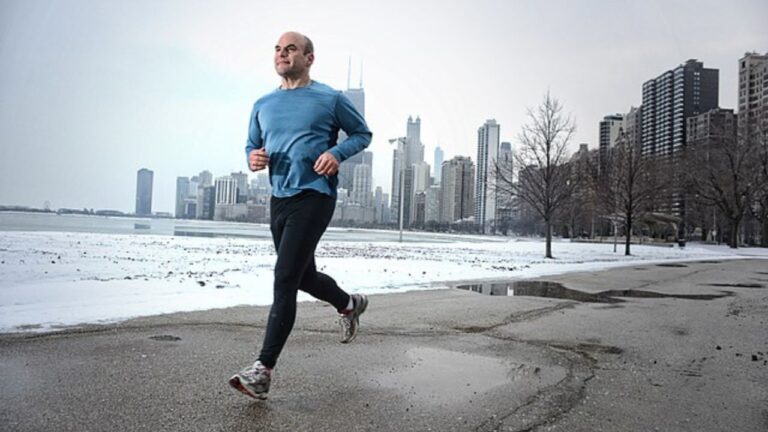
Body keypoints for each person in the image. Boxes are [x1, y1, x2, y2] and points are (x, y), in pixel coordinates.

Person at [228, 31, 372, 400]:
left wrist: (337, 154)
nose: (281, 54)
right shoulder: (262, 103)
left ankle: (263, 370)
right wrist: (253, 158)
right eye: (277, 48)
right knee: (302, 276)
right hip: (280, 198)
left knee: (285, 276)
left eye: (290, 48)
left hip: (315, 194)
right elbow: (251, 144)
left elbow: (362, 133)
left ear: (309, 58)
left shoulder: (330, 98)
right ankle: (349, 304)